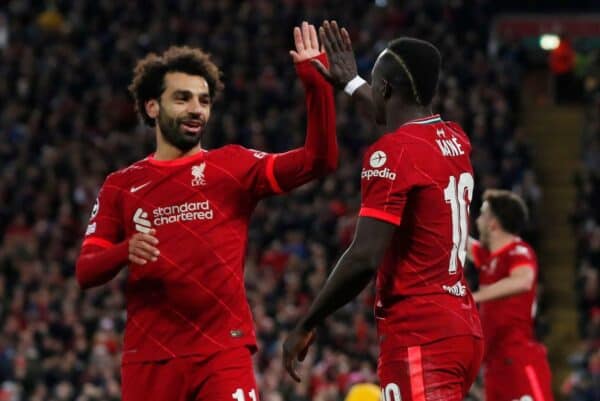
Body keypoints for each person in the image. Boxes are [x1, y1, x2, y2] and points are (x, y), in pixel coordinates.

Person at [75, 22, 337, 401]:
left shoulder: (233, 166)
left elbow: (319, 160)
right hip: (149, 359)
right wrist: (124, 250)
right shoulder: (121, 184)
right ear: (153, 106)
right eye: (182, 98)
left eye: (204, 100)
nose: (196, 109)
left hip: (222, 353)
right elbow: (86, 270)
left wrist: (316, 83)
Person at [283, 21, 483, 401]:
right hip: (461, 329)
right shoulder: (456, 138)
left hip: (420, 337)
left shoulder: (391, 153)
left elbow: (364, 257)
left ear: (387, 89)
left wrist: (307, 323)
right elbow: (402, 125)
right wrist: (353, 83)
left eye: (375, 84)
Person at [469, 189, 554, 401]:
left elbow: (523, 280)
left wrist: (475, 297)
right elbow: (459, 239)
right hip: (494, 367)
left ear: (493, 223)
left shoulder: (519, 252)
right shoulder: (489, 259)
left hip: (518, 359)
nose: (477, 221)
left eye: (481, 214)